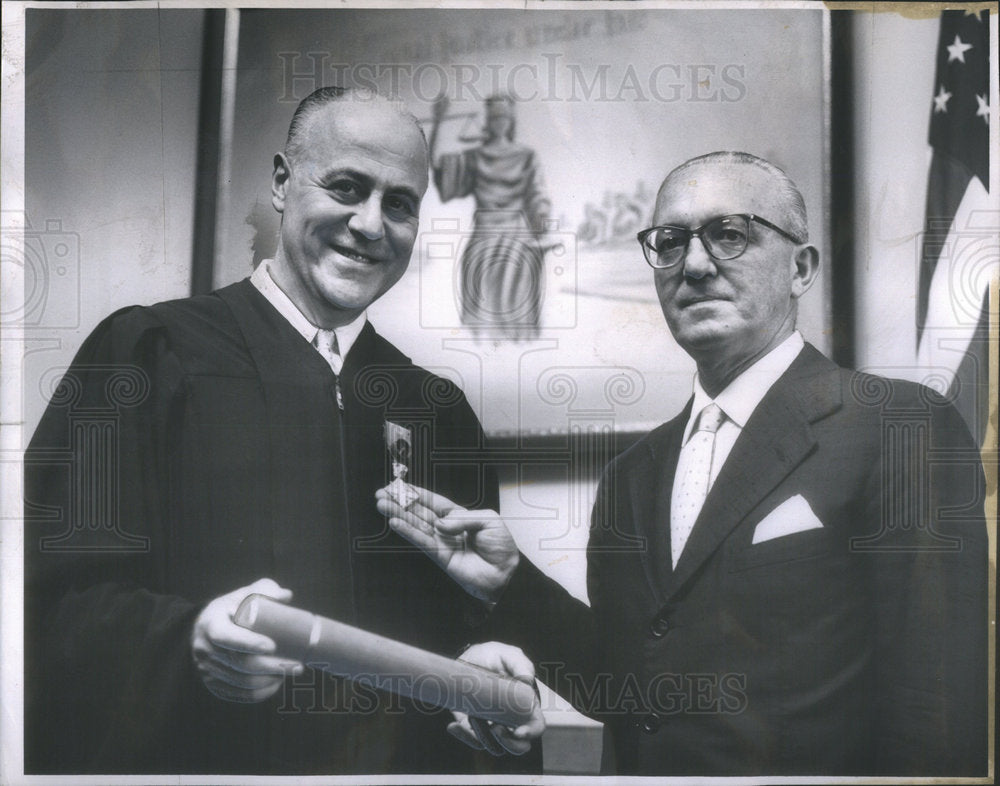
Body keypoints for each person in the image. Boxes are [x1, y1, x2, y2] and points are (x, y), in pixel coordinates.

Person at [378, 152, 989, 776]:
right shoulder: (631, 474)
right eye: (670, 243)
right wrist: (510, 581)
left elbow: (935, 709)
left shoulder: (898, 426)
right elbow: (628, 686)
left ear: (800, 268)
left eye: (730, 234)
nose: (694, 264)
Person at [23, 87, 538, 775]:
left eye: (400, 203)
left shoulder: (434, 410)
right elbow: (49, 605)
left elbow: (467, 631)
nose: (370, 225)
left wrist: (479, 678)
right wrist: (187, 641)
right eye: (347, 188)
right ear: (280, 182)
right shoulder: (150, 356)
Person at [430, 94, 552, 340]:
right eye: (495, 117)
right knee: (481, 325)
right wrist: (438, 122)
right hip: (483, 242)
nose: (499, 122)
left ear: (511, 120)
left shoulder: (526, 156)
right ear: (489, 120)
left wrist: (541, 223)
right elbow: (439, 169)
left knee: (517, 324)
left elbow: (538, 196)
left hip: (519, 242)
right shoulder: (474, 157)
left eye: (504, 117)